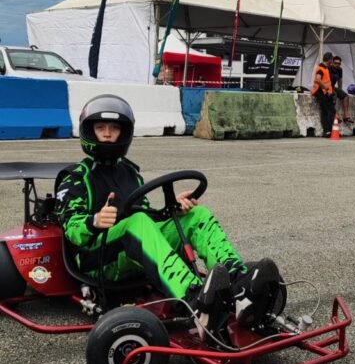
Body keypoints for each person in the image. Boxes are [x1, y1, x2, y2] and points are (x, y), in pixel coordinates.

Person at [55, 95, 283, 341]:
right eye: (101, 128)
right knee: (137, 223)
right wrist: (95, 220)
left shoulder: (130, 173)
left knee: (197, 215)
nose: (108, 134)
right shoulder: (76, 177)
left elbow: (143, 216)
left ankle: (241, 287)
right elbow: (71, 227)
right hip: (97, 258)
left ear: (124, 133)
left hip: (130, 248)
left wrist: (172, 209)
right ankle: (195, 299)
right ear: (90, 132)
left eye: (114, 129)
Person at [312, 51, 335, 137]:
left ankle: (329, 130)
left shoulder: (325, 68)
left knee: (328, 111)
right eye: (332, 60)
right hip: (321, 92)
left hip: (325, 92)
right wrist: (325, 87)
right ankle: (327, 131)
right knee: (327, 111)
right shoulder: (321, 68)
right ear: (330, 60)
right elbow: (318, 80)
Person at [330, 55, 352, 124]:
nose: (337, 65)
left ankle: (346, 115)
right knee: (333, 96)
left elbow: (340, 80)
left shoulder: (340, 69)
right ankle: (336, 115)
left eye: (339, 63)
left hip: (333, 86)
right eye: (335, 63)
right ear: (332, 62)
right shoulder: (329, 68)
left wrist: (340, 90)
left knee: (345, 96)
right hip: (327, 87)